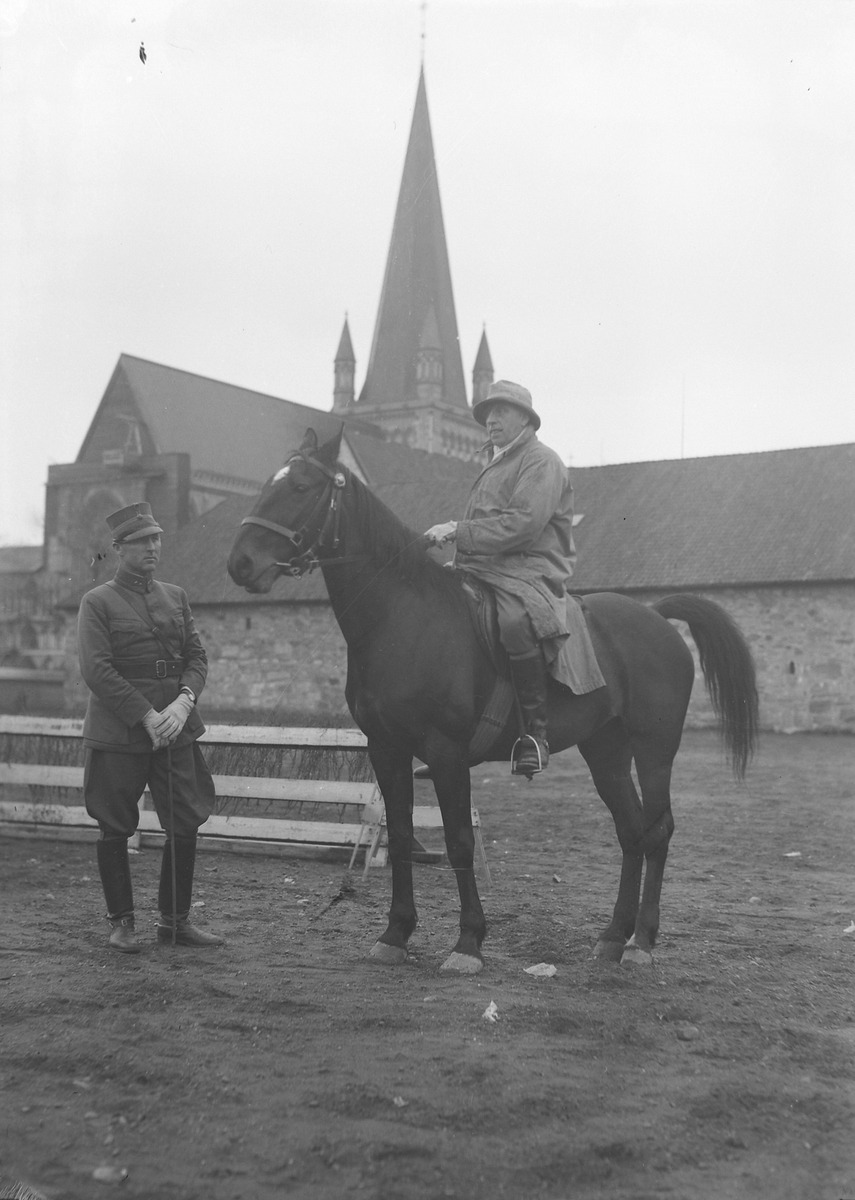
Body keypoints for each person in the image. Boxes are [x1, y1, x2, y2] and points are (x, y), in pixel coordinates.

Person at [77, 502, 223, 952]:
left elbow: (196, 657)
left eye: (157, 538)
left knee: (185, 820)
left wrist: (183, 702)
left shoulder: (175, 595)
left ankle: (175, 922)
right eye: (142, 541)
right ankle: (122, 923)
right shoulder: (97, 601)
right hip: (122, 731)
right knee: (114, 824)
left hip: (174, 727)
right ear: (119, 549)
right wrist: (145, 715)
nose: (153, 547)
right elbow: (97, 670)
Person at [425, 380, 577, 776]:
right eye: (487, 413)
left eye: (500, 411)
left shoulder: (542, 461)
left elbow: (523, 525)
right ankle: (450, 740)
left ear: (524, 418)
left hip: (528, 571)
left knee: (513, 624)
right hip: (483, 569)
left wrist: (459, 530)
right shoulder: (496, 461)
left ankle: (535, 735)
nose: (490, 419)